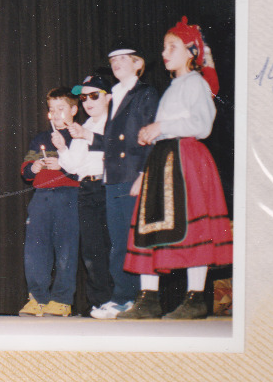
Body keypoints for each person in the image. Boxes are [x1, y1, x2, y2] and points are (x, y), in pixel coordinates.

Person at [117, 18, 232, 319]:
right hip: (164, 159)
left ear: (192, 52)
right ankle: (149, 297)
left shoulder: (196, 83)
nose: (164, 53)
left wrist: (161, 127)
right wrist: (152, 133)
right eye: (164, 47)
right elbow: (167, 125)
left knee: (191, 225)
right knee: (151, 225)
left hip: (185, 159)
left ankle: (195, 297)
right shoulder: (173, 86)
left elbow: (202, 124)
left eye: (172, 47)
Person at [84, 40, 159, 318]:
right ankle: (122, 297)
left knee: (131, 240)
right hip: (113, 177)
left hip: (132, 175)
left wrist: (143, 174)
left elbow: (151, 137)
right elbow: (112, 142)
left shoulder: (145, 93)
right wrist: (88, 136)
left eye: (123, 59)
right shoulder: (114, 95)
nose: (116, 64)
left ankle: (132, 298)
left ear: (138, 64)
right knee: (118, 241)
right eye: (113, 60)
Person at [18, 87, 80, 317]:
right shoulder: (41, 139)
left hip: (68, 196)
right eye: (52, 109)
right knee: (35, 248)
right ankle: (37, 298)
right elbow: (25, 171)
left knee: (66, 248)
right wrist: (33, 168)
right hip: (41, 197)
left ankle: (62, 299)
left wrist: (62, 166)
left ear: (74, 110)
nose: (55, 114)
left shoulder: (79, 136)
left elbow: (83, 170)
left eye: (61, 108)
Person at [56, 73, 115, 314]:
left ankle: (118, 299)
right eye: (84, 98)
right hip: (87, 189)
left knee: (113, 246)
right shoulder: (86, 125)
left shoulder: (115, 122)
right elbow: (73, 166)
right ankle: (99, 302)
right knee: (92, 250)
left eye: (94, 95)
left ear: (108, 97)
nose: (88, 102)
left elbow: (118, 149)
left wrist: (84, 136)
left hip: (108, 187)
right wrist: (62, 148)